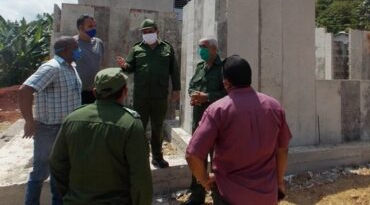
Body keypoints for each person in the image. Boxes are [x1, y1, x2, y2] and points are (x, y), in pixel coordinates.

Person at [186, 55, 292, 205]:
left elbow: (192, 154)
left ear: (226, 83)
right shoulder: (274, 106)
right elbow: (283, 149)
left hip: (229, 195)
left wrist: (204, 180)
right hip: (266, 195)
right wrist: (279, 181)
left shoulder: (218, 110)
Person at [49, 68, 153, 204]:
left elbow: (56, 163)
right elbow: (140, 177)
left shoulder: (72, 118)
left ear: (94, 92)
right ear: (125, 92)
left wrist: (70, 194)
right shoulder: (131, 124)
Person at [18, 36, 82, 205]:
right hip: (50, 130)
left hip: (65, 129)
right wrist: (29, 121)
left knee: (59, 172)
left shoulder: (70, 66)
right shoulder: (52, 68)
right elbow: (25, 90)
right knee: (40, 173)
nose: (79, 51)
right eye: (76, 48)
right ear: (66, 50)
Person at [116, 18, 180, 168]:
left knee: (158, 128)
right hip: (141, 96)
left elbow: (174, 70)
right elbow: (130, 67)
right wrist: (124, 65)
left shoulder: (167, 48)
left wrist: (176, 89)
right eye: (144, 32)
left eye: (150, 31)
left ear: (157, 31)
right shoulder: (136, 49)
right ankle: (139, 158)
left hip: (160, 95)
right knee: (139, 128)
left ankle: (157, 157)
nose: (147, 34)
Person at [184, 38, 226, 205]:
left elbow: (228, 94)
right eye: (200, 47)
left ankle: (219, 197)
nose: (201, 50)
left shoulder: (223, 69)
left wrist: (207, 97)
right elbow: (192, 85)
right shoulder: (200, 67)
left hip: (216, 125)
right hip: (199, 121)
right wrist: (194, 96)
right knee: (198, 159)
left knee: (217, 162)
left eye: (204, 47)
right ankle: (197, 195)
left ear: (214, 49)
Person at [74, 14, 104, 104]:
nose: (94, 29)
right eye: (90, 26)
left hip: (94, 92)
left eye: (95, 26)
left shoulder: (99, 43)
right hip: (77, 93)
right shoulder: (73, 45)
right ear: (81, 28)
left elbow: (101, 63)